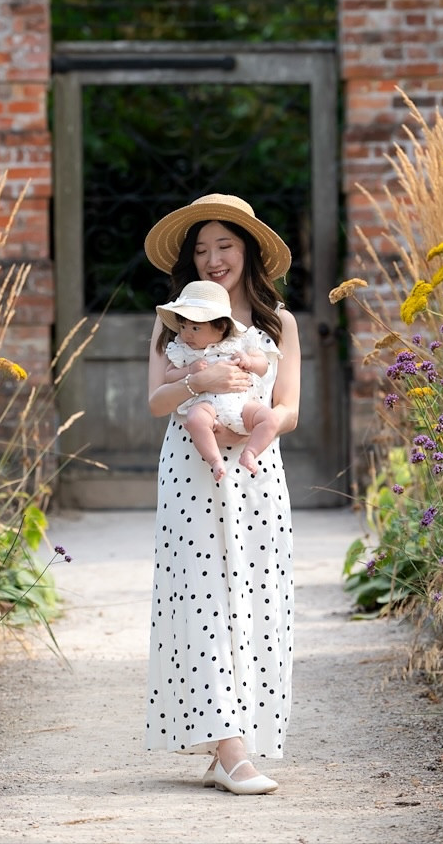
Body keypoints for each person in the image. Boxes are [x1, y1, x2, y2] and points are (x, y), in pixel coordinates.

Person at [143, 194, 301, 796]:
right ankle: (230, 751)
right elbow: (157, 402)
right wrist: (198, 380)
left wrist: (250, 429)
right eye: (202, 250)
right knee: (202, 595)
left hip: (257, 474)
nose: (213, 259)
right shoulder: (171, 325)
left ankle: (234, 741)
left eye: (225, 247)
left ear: (249, 253)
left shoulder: (277, 324)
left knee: (256, 598)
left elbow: (289, 408)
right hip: (191, 470)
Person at [156, 279, 282, 482]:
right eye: (183, 326)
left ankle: (250, 453)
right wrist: (190, 371)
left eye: (195, 328)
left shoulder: (238, 342)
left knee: (270, 419)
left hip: (242, 406)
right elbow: (169, 375)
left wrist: (249, 361)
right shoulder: (184, 350)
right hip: (208, 406)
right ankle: (214, 460)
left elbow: (263, 366)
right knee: (195, 419)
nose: (187, 334)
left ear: (221, 326)